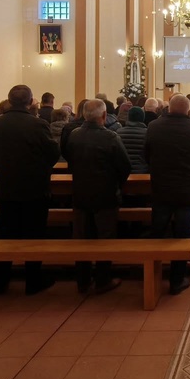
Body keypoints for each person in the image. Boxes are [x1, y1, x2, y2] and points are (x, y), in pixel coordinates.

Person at [0, 85, 61, 295]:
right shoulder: (37, 124)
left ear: (9, 100)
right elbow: (52, 153)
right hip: (34, 188)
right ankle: (32, 280)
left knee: (5, 235)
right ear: (30, 102)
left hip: (7, 187)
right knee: (33, 235)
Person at [63, 99, 132, 293]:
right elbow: (125, 166)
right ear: (104, 115)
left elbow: (70, 160)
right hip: (105, 195)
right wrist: (116, 183)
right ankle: (103, 279)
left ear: (84, 115)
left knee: (81, 238)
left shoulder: (74, 135)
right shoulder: (111, 137)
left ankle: (82, 280)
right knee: (105, 238)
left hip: (80, 194)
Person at [145, 94, 190, 295]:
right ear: (188, 110)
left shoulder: (154, 126)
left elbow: (146, 154)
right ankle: (177, 279)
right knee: (183, 234)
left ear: (169, 108)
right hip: (186, 190)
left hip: (161, 188)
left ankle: (152, 277)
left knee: (157, 231)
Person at [117, 105, 150, 174]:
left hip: (123, 171)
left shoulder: (118, 132)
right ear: (142, 118)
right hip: (142, 171)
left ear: (128, 117)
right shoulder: (147, 133)